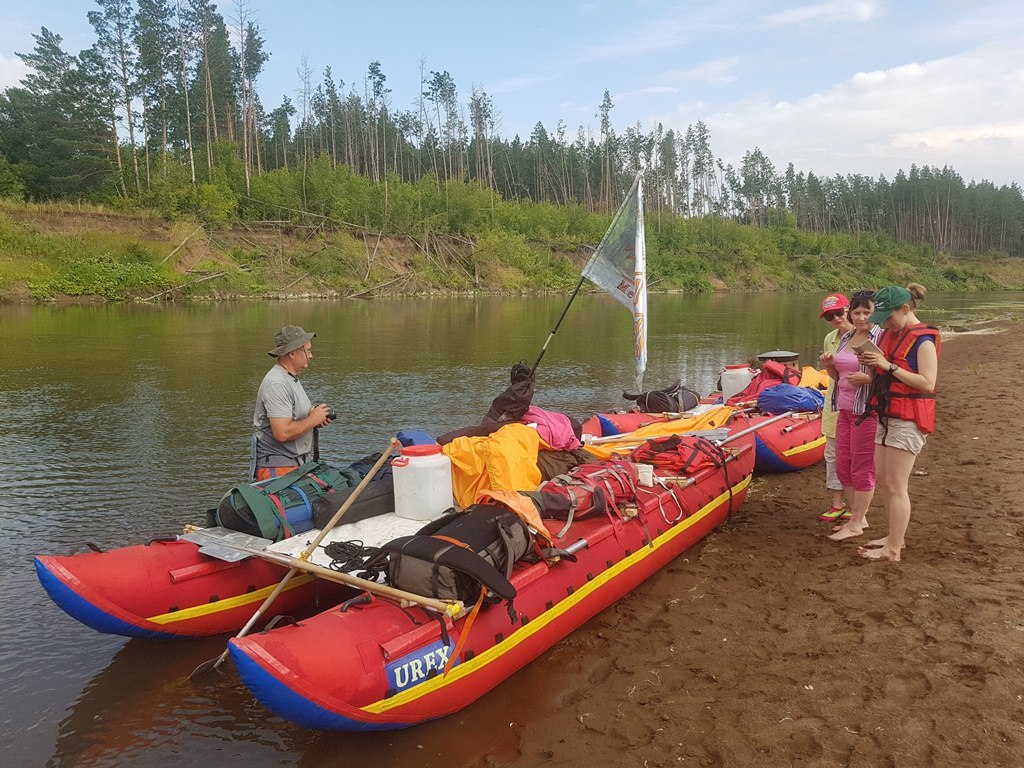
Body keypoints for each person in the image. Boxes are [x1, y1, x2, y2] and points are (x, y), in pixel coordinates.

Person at [854, 284, 939, 562]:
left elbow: (927, 382)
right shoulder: (893, 334)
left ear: (905, 309)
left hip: (909, 419)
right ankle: (894, 537)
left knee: (896, 485)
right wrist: (871, 360)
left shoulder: (923, 341)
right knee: (884, 481)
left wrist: (888, 366)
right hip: (887, 415)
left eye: (889, 318)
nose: (886, 324)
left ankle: (893, 549)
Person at [822, 291, 882, 541]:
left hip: (866, 411)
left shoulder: (881, 337)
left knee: (861, 465)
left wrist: (869, 378)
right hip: (844, 408)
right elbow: (839, 377)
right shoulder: (847, 337)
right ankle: (859, 516)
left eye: (866, 312)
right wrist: (828, 366)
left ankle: (856, 522)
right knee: (843, 463)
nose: (860, 317)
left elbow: (890, 374)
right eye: (856, 312)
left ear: (875, 313)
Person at [252, 325, 333, 481]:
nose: (311, 356)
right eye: (307, 351)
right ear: (292, 353)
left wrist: (314, 418)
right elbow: (282, 433)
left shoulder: (289, 378)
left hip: (296, 465)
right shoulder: (277, 384)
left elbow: (292, 419)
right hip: (278, 468)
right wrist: (312, 419)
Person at [817, 293, 853, 521]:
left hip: (856, 402)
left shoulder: (862, 335)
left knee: (855, 453)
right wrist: (828, 365)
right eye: (830, 316)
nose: (836, 318)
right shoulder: (830, 338)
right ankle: (837, 503)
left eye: (839, 313)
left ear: (848, 309)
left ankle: (856, 504)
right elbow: (833, 376)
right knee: (832, 453)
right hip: (834, 402)